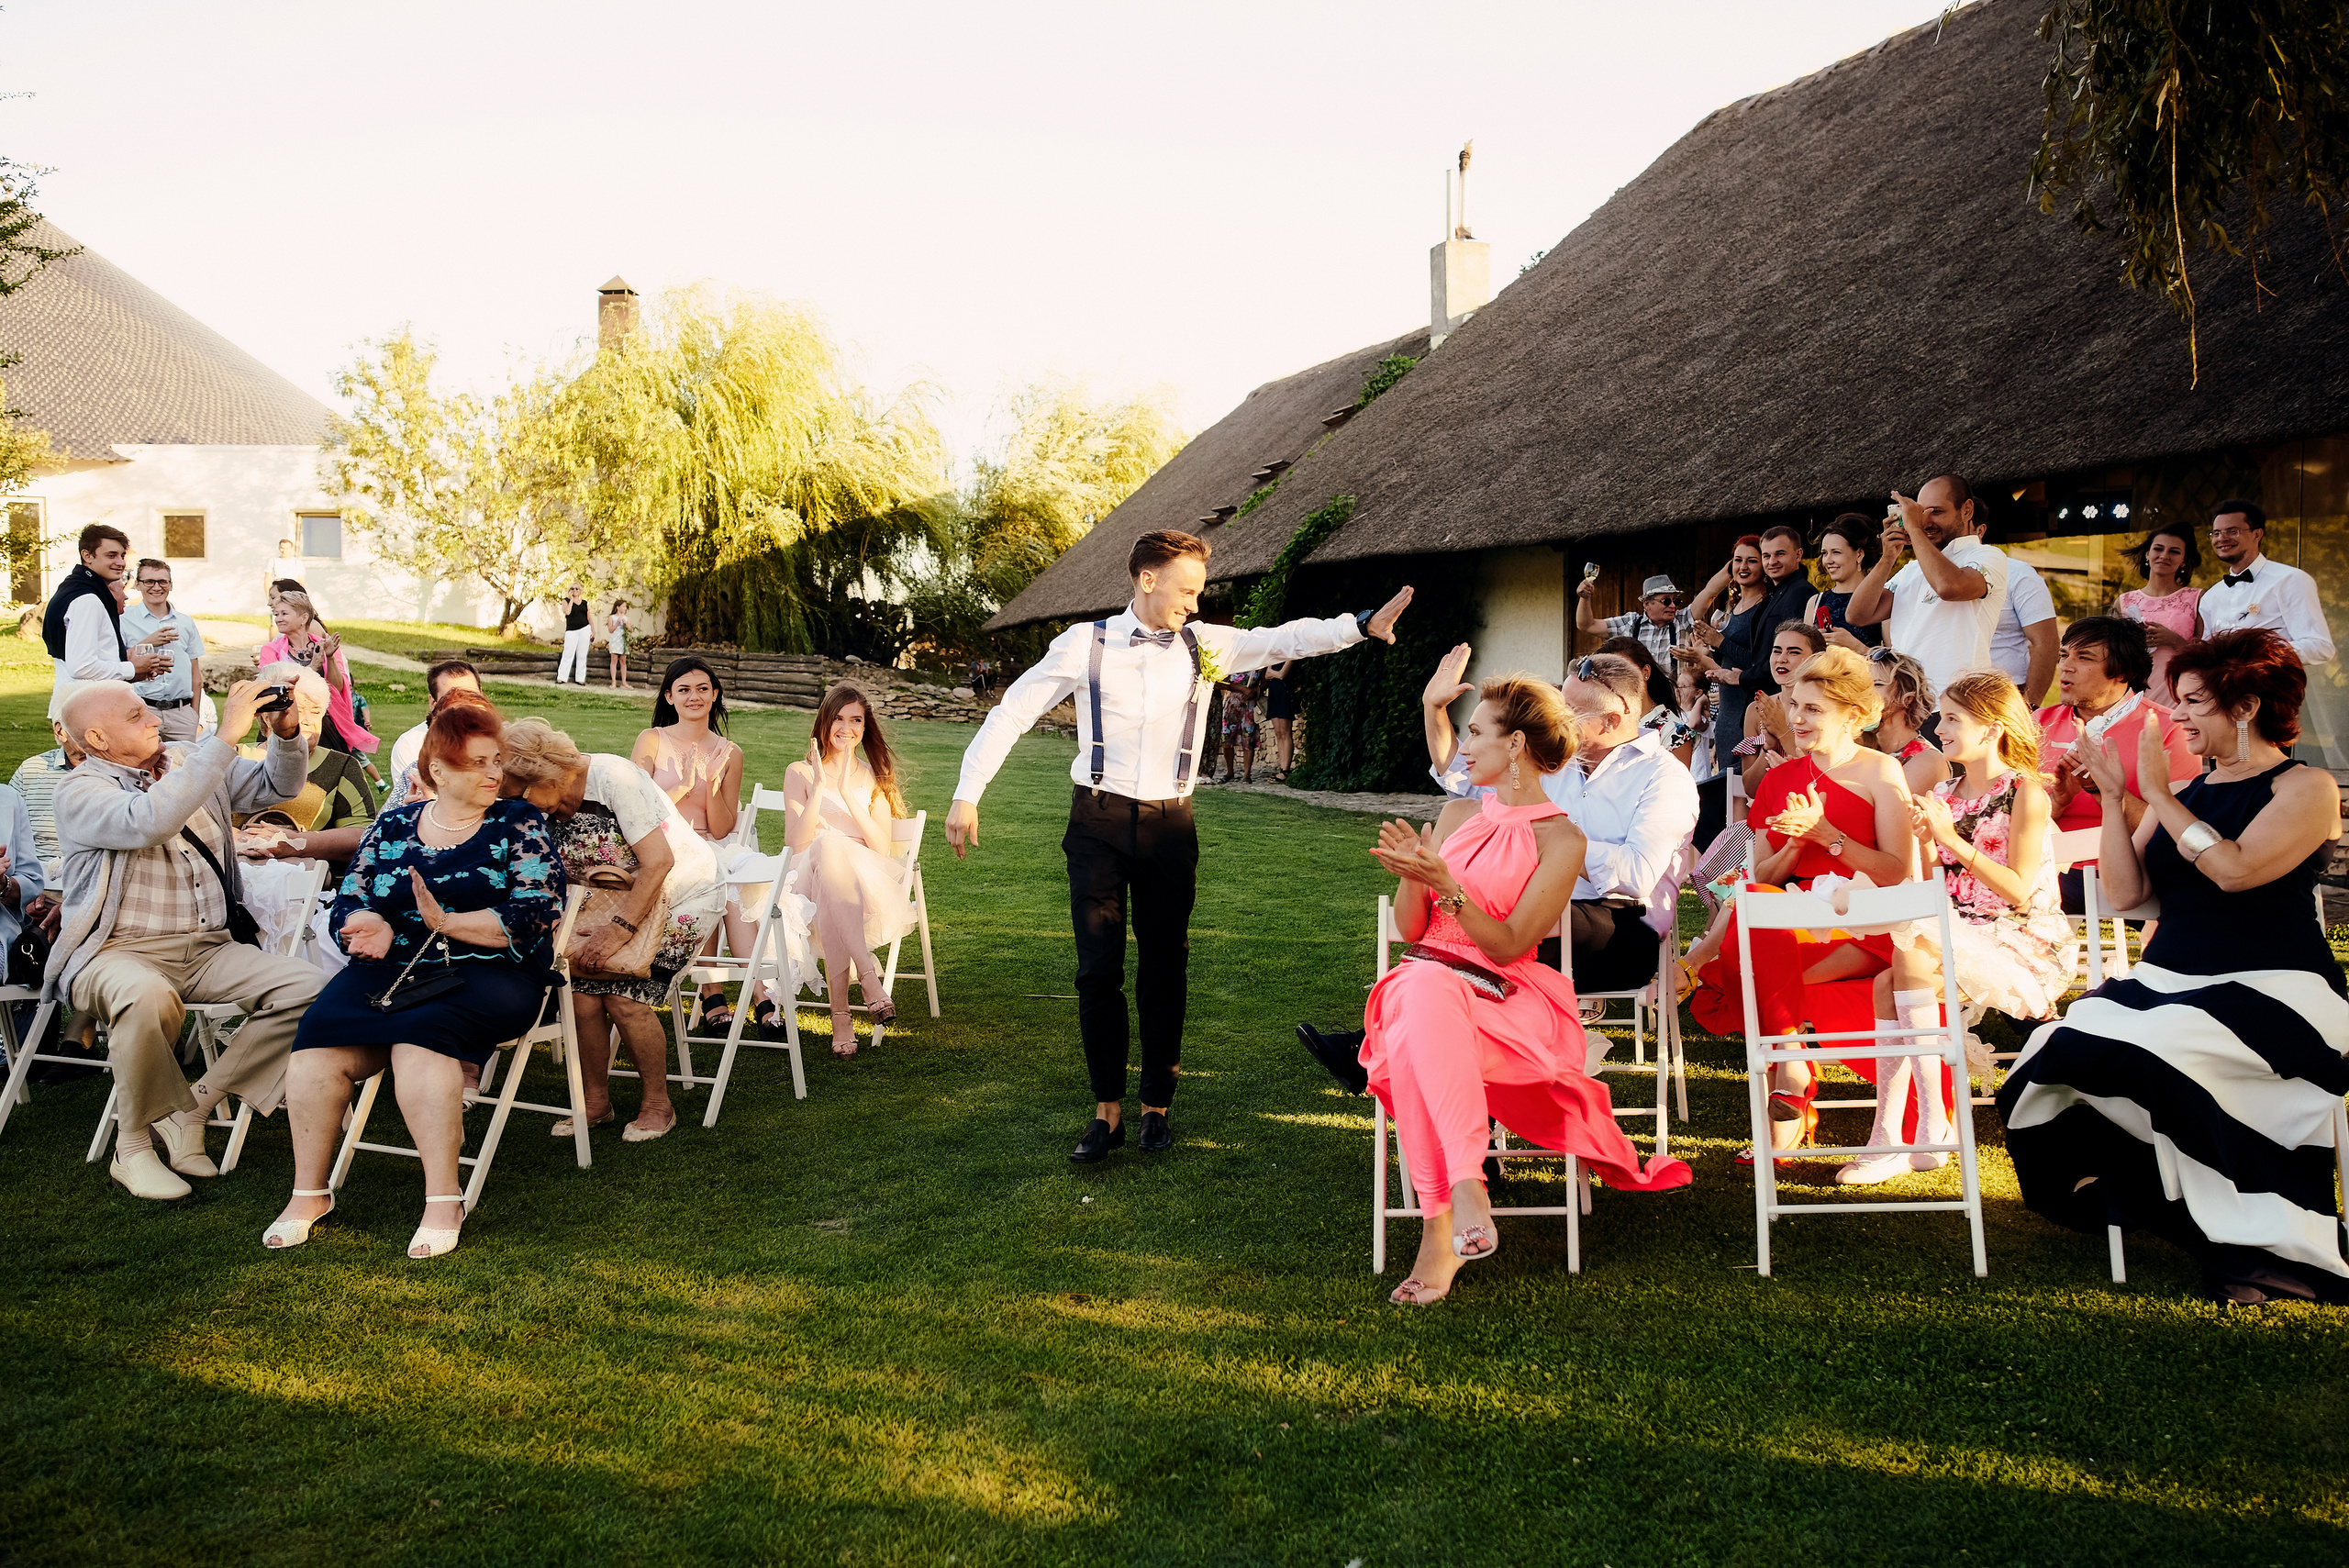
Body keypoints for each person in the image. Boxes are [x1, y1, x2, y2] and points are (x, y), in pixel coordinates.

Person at [947, 528, 1413, 1162]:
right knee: (1097, 968)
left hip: (1170, 826)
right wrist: (967, 792)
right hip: (1098, 822)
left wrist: (1357, 626)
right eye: (1187, 590)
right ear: (1147, 580)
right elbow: (1013, 711)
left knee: (1166, 965)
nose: (1195, 604)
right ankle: (1106, 1112)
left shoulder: (1205, 644)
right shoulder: (1084, 643)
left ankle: (1156, 1109)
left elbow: (1285, 638)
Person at [1999, 629, 2348, 1305]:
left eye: (2193, 701)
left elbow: (2235, 870)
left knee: (2156, 1049)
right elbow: (2127, 892)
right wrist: (2112, 797)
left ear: (2245, 707)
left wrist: (2158, 795)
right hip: (2170, 980)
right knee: (2055, 1045)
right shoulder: (2188, 789)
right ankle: (2145, 1193)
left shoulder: (2305, 786)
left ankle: (2257, 1225)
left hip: (2276, 985)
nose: (2178, 714)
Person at [1366, 676, 1693, 1305]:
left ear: (1515, 744)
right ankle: (1466, 1184)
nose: (1463, 747)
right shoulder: (1457, 814)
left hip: (1503, 997)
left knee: (1416, 1022)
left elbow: (1511, 943)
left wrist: (1447, 886)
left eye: (1475, 733)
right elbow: (1411, 929)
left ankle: (1441, 1227)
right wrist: (1413, 876)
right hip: (1428, 984)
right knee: (1424, 985)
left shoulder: (1561, 838)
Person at [263, 700, 563, 1259]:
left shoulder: (519, 822)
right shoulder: (395, 824)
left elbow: (536, 910)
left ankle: (443, 1199)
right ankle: (309, 1193)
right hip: (391, 967)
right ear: (439, 771)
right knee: (316, 1044)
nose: (494, 773)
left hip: (491, 971)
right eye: (478, 763)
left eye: (496, 761)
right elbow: (351, 895)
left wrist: (447, 923)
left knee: (420, 1039)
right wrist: (367, 922)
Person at [47, 677, 323, 1200]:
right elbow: (150, 820)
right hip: (116, 951)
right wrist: (225, 737)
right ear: (98, 739)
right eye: (136, 715)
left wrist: (285, 734)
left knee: (314, 989)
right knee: (144, 994)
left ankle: (194, 1106)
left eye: (148, 708)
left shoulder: (187, 759)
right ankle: (132, 1148)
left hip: (208, 948)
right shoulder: (79, 791)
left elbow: (279, 788)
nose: (154, 718)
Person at [1685, 647, 1919, 1162]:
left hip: (1865, 923)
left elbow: (1895, 871)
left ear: (1853, 715)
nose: (1796, 718)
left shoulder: (1881, 771)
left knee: (1755, 970)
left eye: (1813, 709)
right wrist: (1794, 846)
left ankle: (1789, 1088)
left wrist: (1827, 835)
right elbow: (1758, 878)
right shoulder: (1779, 779)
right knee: (1757, 907)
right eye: (1794, 705)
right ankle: (1792, 1063)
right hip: (1793, 915)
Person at [1842, 673, 2075, 1186]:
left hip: (2022, 935)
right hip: (1958, 927)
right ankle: (1894, 1133)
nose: (1939, 728)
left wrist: (1950, 838)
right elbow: (1936, 888)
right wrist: (1928, 842)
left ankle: (1925, 1128)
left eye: (1952, 719)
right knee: (1887, 981)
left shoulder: (2025, 792)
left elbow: (2018, 891)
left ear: (1991, 729)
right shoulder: (1944, 792)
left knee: (1908, 953)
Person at [500, 717, 724, 1141]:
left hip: (682, 895)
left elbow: (659, 862)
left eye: (519, 796)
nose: (517, 808)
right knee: (582, 997)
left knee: (624, 997)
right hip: (607, 905)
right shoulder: (542, 807)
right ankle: (595, 1103)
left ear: (545, 774)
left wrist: (619, 930)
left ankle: (657, 1104)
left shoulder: (613, 778)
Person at [634, 656, 790, 1043]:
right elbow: (636, 811)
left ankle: (753, 994)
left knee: (732, 888)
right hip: (663, 846)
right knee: (712, 877)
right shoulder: (651, 740)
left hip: (713, 844)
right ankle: (720, 993)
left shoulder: (730, 752)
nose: (694, 696)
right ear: (669, 697)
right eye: (684, 689)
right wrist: (685, 786)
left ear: (715, 694)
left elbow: (722, 828)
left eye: (703, 688)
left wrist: (711, 784)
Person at [785, 683, 915, 1055]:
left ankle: (841, 1017)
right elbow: (796, 844)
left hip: (861, 884)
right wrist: (820, 787)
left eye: (856, 720)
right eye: (838, 719)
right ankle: (868, 976)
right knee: (825, 848)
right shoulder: (800, 772)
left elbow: (880, 846)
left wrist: (844, 791)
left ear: (864, 725)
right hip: (804, 881)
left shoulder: (875, 775)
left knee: (833, 877)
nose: (846, 728)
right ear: (825, 723)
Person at [2037, 617, 2199, 910]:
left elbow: (2176, 830)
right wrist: (2057, 803)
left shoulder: (2168, 729)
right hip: (2047, 867)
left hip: (2132, 873)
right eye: (2064, 655)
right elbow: (2009, 819)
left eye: (2084, 657)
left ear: (2123, 671)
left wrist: (2102, 789)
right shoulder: (2037, 724)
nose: (2066, 666)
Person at [1681, 528, 1813, 848]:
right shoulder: (1762, 599)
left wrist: (1722, 647)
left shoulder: (1793, 594)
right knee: (1733, 790)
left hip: (1756, 702)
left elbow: (1762, 661)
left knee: (1734, 792)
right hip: (1733, 708)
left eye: (1757, 559)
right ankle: (1737, 856)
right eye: (1765, 556)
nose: (1769, 562)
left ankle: (1738, 853)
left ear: (1798, 555)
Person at [1843, 475, 2011, 702]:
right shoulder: (1912, 569)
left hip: (1957, 703)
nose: (1926, 522)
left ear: (1967, 510)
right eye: (1921, 513)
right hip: (1907, 702)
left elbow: (1948, 587)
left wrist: (1914, 529)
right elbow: (1857, 615)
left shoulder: (1987, 556)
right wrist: (1888, 557)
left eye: (1936, 512)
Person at [229, 665, 378, 878]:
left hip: (308, 884)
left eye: (316, 712)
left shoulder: (341, 766)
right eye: (297, 709)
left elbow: (364, 836)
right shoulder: (232, 758)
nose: (308, 720)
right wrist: (237, 837)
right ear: (267, 716)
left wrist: (296, 843)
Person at [45, 525, 168, 723]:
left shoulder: (74, 588)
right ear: (87, 556)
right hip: (88, 710)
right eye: (111, 555)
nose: (120, 563)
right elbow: (81, 667)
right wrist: (131, 668)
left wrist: (136, 672)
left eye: (122, 555)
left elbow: (93, 657)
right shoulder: (87, 599)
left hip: (82, 705)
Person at [2193, 500, 2336, 669]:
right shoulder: (2211, 596)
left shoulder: (2289, 579)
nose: (2222, 538)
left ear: (2257, 534)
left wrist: (2259, 653)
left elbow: (2320, 647)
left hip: (2273, 683)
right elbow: (2209, 653)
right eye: (2216, 533)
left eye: (2233, 531)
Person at [259, 588, 380, 769]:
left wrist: (330, 657)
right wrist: (312, 667)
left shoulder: (324, 644)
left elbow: (339, 688)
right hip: (285, 722)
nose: (278, 619)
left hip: (323, 723)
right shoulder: (270, 650)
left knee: (329, 771)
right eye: (276, 614)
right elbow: (272, 687)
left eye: (284, 613)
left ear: (303, 618)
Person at [1734, 621, 1828, 799]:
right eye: (1777, 651)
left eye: (1794, 652)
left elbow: (1819, 776)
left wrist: (1782, 732)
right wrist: (1768, 748)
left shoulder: (1826, 708)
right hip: (1768, 807)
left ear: (1816, 659)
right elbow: (1751, 789)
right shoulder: (1756, 709)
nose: (1781, 659)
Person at [2114, 524, 2203, 705]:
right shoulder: (2124, 601)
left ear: (2184, 560)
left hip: (2180, 691)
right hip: (2132, 692)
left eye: (2174, 551)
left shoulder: (2197, 598)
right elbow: (2111, 654)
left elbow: (2207, 657)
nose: (2164, 556)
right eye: (2158, 549)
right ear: (2147, 554)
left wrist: (2173, 640)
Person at [121, 560, 205, 742]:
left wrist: (194, 715)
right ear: (138, 585)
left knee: (184, 760)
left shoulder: (185, 622)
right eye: (149, 582)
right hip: (142, 709)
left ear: (171, 585)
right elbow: (116, 663)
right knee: (142, 760)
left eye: (162, 582)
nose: (156, 587)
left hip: (182, 713)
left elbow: (195, 674)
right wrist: (148, 642)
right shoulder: (124, 619)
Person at [385, 660, 484, 809]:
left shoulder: (507, 740)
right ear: (433, 703)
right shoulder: (410, 748)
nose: (466, 706)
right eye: (453, 698)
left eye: (472, 696)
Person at [1988, 526, 2060, 707]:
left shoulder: (2017, 574)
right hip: (1937, 695)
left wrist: (2030, 707)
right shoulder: (1923, 572)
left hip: (2002, 697)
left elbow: (2046, 643)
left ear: (1979, 530)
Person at [1864, 649, 1951, 797]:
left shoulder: (1926, 760)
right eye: (1863, 686)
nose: (1865, 693)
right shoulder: (1857, 746)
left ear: (1908, 697)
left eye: (1877, 684)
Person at [1577, 573, 1693, 665]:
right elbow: (1587, 626)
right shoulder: (1630, 623)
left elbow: (1705, 596)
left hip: (1672, 688)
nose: (1673, 605)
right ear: (1647, 604)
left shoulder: (1682, 620)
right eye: (1666, 601)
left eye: (1676, 601)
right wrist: (1585, 598)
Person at [11, 718, 83, 865]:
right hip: (38, 873)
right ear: (60, 732)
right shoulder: (31, 769)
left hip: (97, 874)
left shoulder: (120, 770)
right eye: (87, 726)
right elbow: (6, 829)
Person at [1805, 516, 1883, 651]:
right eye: (1824, 553)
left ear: (1859, 555)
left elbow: (1896, 660)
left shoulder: (1882, 600)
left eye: (1836, 552)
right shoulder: (1815, 602)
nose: (1828, 560)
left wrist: (1857, 647)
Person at [1211, 668, 1262, 784]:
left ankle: (1247, 774)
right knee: (1227, 738)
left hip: (1249, 705)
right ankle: (1229, 772)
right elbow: (1219, 683)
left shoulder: (1259, 665)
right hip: (1231, 704)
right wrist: (1241, 689)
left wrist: (1254, 691)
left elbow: (1264, 683)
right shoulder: (1233, 664)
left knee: (1248, 738)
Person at [1263, 659, 1297, 782]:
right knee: (1278, 733)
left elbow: (1282, 675)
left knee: (1285, 732)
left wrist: (1273, 674)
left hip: (1284, 692)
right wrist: (1274, 674)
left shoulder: (1290, 656)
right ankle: (1282, 767)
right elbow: (1267, 675)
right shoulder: (1274, 656)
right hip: (1274, 693)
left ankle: (1285, 769)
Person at [555, 584, 593, 685]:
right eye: (572, 588)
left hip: (585, 629)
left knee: (582, 655)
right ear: (569, 590)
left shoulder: (584, 603)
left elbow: (589, 618)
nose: (575, 590)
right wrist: (571, 599)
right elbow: (567, 612)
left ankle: (580, 678)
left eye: (577, 589)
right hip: (572, 630)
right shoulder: (566, 601)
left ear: (580, 591)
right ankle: (561, 677)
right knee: (568, 653)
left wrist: (593, 631)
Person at [606, 600, 632, 690]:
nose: (625, 608)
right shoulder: (611, 617)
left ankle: (624, 682)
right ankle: (613, 682)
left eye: (625, 606)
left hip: (623, 641)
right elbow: (610, 630)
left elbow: (630, 630)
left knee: (623, 661)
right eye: (623, 606)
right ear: (618, 607)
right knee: (614, 660)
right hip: (615, 640)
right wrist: (617, 623)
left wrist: (626, 624)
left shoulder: (626, 618)